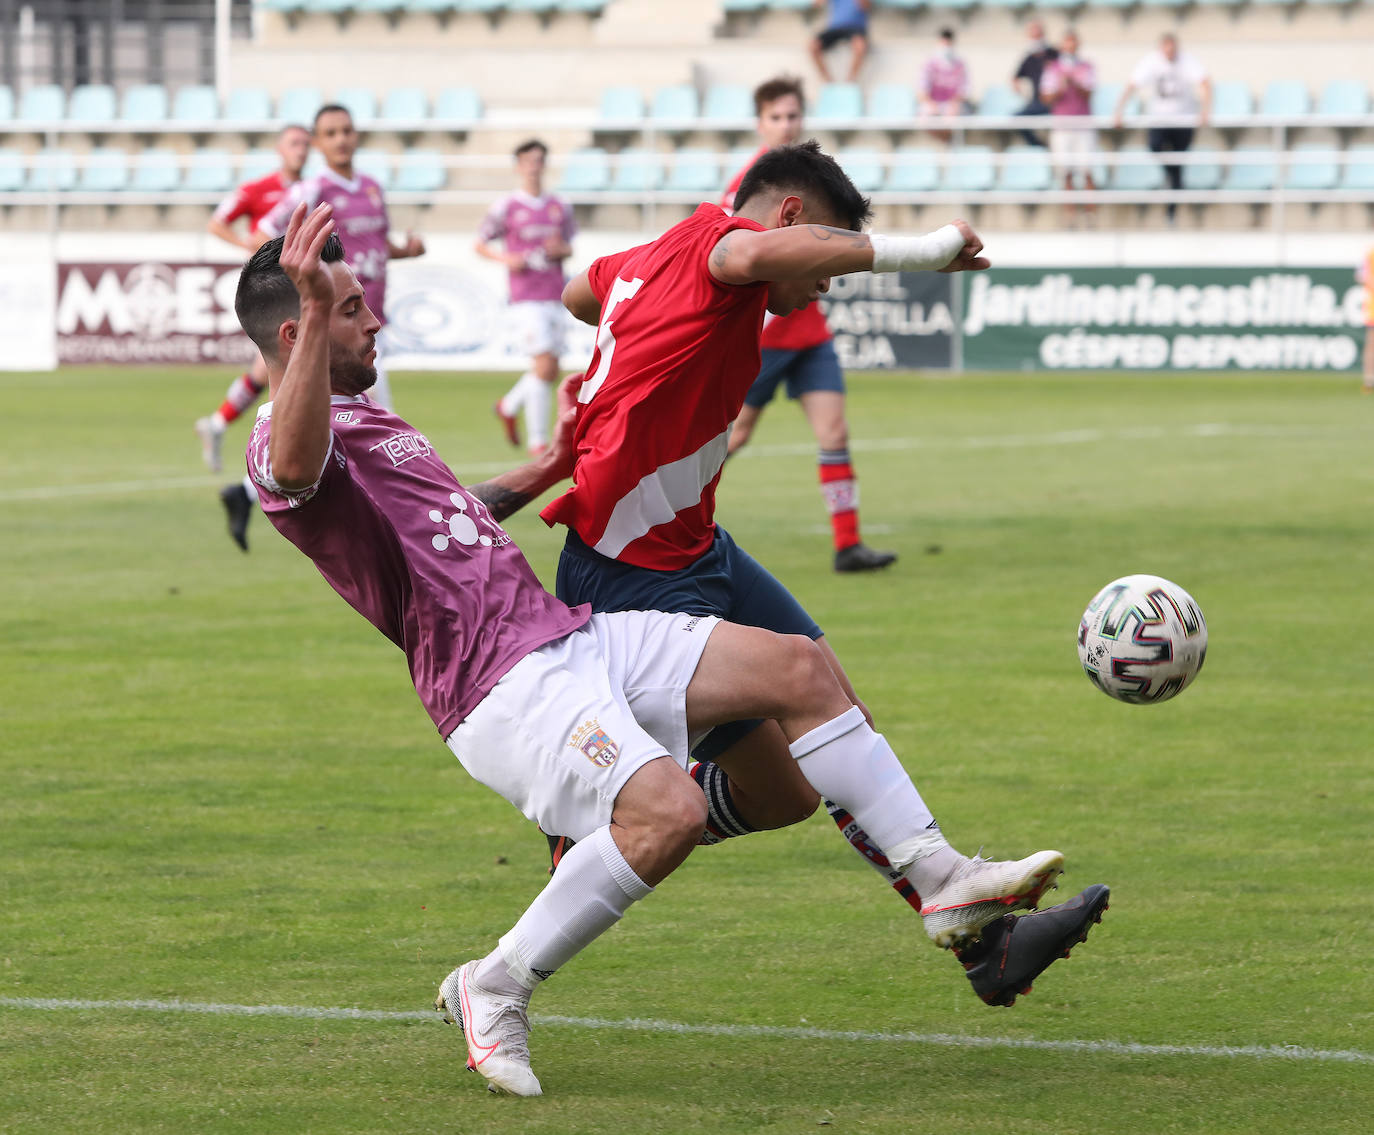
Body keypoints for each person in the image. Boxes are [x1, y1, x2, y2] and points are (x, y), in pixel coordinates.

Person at [238, 202, 1109, 1094]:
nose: (373, 317)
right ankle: (493, 982)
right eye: (349, 308)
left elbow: (441, 522)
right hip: (497, 688)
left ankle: (945, 880)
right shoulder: (281, 435)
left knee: (798, 675)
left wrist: (544, 467)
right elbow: (297, 471)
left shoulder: (366, 418)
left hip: (567, 637)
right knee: (670, 817)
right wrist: (311, 305)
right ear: (298, 330)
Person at [544, 141, 1065, 934]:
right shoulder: (725, 246)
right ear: (790, 214)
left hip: (695, 546)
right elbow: (754, 249)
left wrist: (628, 321)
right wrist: (923, 251)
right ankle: (945, 887)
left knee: (796, 775)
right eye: (823, 255)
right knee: (806, 685)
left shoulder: (649, 258)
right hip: (631, 573)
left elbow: (580, 291)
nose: (825, 281)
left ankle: (967, 918)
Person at [220, 102, 424, 551]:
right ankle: (405, 518)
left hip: (367, 315)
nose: (341, 139)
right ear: (318, 142)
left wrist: (404, 250)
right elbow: (268, 236)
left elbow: (377, 246)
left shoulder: (371, 187)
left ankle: (248, 491)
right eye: (330, 133)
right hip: (335, 323)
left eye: (347, 130)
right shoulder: (313, 188)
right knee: (375, 417)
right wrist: (294, 287)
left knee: (351, 420)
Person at [721, 77, 895, 574]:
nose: (787, 124)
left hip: (809, 332)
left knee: (834, 430)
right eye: (777, 117)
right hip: (764, 336)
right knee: (735, 435)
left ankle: (848, 545)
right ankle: (668, 507)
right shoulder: (745, 188)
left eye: (793, 116)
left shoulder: (815, 183)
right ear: (761, 123)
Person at [193, 124, 310, 550]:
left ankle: (219, 427)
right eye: (295, 143)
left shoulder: (312, 188)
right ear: (280, 148)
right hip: (276, 291)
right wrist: (255, 253)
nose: (301, 150)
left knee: (269, 371)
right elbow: (217, 222)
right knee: (285, 376)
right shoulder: (259, 189)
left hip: (298, 289)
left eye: (305, 144)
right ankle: (249, 470)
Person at [476, 139, 577, 456]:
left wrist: (561, 250)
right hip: (525, 297)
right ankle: (538, 442)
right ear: (518, 165)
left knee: (551, 368)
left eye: (539, 160)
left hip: (554, 293)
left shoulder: (559, 206)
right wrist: (509, 259)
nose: (534, 165)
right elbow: (480, 243)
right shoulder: (506, 207)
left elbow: (570, 245)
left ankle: (509, 405)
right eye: (528, 160)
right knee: (544, 364)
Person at [1114, 32, 1211, 225]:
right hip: (1159, 118)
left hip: (1183, 120)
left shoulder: (1187, 61)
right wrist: (1119, 111)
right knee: (1155, 147)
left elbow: (1205, 82)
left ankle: (1171, 213)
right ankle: (1170, 175)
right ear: (1161, 47)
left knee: (1179, 164)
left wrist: (1205, 111)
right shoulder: (1151, 61)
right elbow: (1133, 84)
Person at [1040, 28, 1098, 226]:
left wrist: (1074, 82)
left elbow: (1089, 93)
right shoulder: (1053, 68)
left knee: (1087, 170)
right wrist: (1060, 88)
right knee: (1066, 172)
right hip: (1062, 126)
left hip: (1083, 124)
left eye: (1073, 42)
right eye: (1067, 42)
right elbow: (1046, 97)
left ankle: (1091, 214)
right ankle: (1070, 214)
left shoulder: (1086, 67)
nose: (1070, 47)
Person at [1012, 21, 1057, 148]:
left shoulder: (1054, 54)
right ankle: (1038, 146)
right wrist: (1017, 86)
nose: (1035, 39)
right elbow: (1016, 76)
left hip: (1054, 101)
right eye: (1033, 36)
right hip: (1037, 102)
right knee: (1017, 119)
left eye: (1037, 35)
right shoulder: (1029, 58)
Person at [920, 27, 970, 143]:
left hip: (952, 105)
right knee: (926, 114)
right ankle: (947, 141)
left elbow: (965, 90)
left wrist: (955, 102)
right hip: (934, 104)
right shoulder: (929, 63)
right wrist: (931, 103)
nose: (945, 46)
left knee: (953, 114)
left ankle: (948, 141)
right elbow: (922, 90)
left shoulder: (960, 64)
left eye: (948, 43)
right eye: (943, 43)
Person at [809, 0, 871, 84]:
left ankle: (849, 82)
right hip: (835, 27)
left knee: (860, 46)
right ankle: (829, 82)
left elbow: (865, 6)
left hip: (855, 27)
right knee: (813, 46)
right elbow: (816, 4)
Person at [1359, 246, 1374, 394]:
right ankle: (1369, 380)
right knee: (1371, 343)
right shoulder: (1370, 254)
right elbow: (1360, 275)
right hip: (1373, 308)